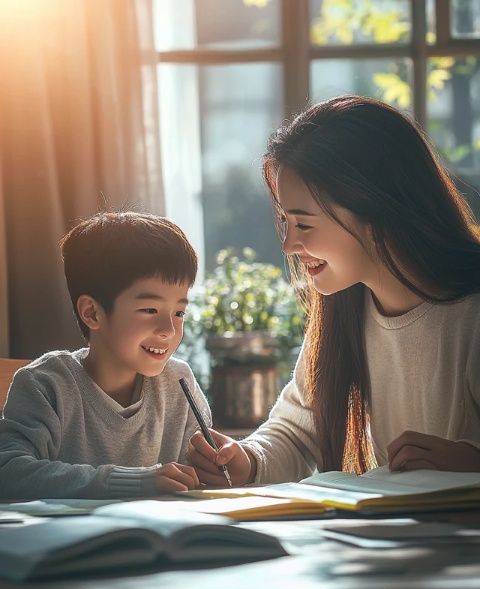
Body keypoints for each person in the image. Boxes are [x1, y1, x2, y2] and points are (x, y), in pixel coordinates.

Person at [189, 95, 480, 487]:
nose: (289, 245)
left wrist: (471, 460)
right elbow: (295, 433)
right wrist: (246, 460)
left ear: (376, 210)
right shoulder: (344, 304)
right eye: (286, 223)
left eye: (304, 225)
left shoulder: (470, 314)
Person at [0, 211, 206, 498]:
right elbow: (8, 473)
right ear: (92, 313)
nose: (169, 330)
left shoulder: (179, 382)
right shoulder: (46, 384)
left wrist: (219, 467)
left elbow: (200, 478)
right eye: (149, 310)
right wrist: (129, 481)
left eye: (179, 312)